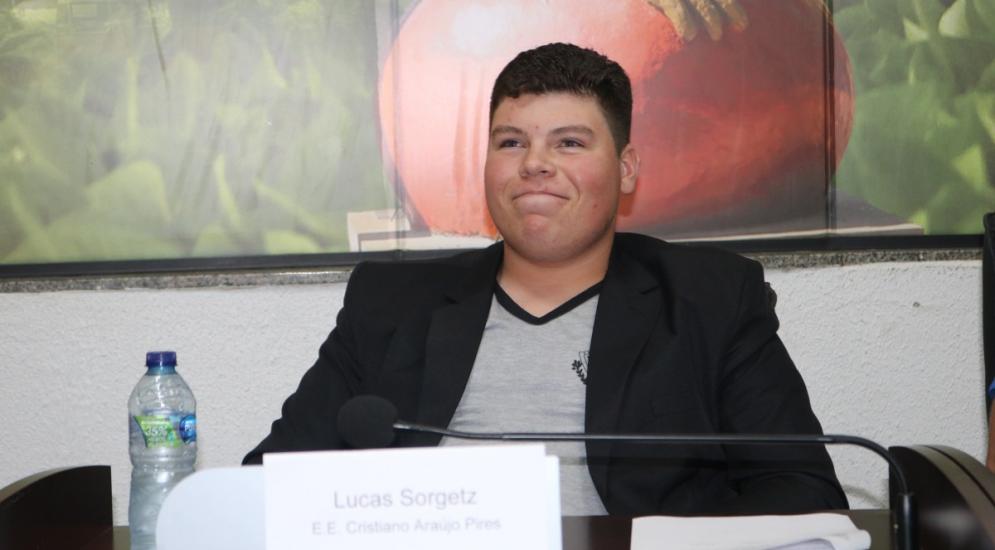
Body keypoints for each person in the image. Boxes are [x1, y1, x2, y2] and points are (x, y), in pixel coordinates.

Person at [245, 42, 847, 516]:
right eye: (511, 142)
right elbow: (269, 484)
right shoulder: (390, 304)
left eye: (570, 143)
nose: (534, 163)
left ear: (626, 168)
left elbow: (802, 491)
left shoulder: (710, 301)